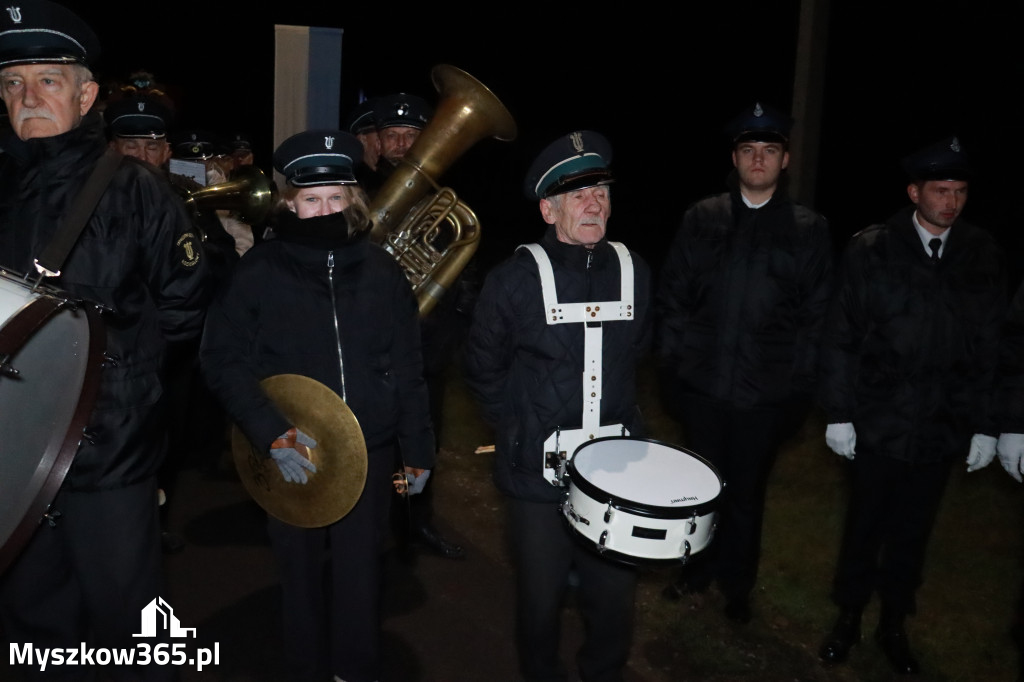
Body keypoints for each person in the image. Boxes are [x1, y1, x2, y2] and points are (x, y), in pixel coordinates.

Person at [0, 1, 210, 677]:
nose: (28, 97)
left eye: (48, 81)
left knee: (126, 630)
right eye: (12, 83)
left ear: (86, 96)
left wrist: (115, 389)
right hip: (16, 458)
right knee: (31, 627)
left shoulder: (136, 191)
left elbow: (183, 310)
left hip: (109, 457)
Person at [200, 129, 435, 682]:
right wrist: (269, 431)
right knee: (299, 571)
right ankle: (305, 667)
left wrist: (418, 448)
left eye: (335, 197)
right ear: (290, 202)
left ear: (353, 200)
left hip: (370, 448)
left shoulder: (382, 272)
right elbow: (221, 359)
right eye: (311, 198)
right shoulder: (258, 272)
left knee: (361, 573)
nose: (324, 208)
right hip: (292, 446)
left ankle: (353, 668)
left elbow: (407, 366)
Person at [464, 130, 652, 682]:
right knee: (540, 602)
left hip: (616, 473)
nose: (594, 202)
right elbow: (483, 367)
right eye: (577, 194)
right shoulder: (512, 280)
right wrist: (521, 426)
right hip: (536, 477)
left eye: (601, 191)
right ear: (548, 208)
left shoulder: (635, 269)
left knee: (613, 600)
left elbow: (638, 352)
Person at [816, 136, 1006, 676]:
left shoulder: (981, 254)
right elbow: (841, 336)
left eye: (961, 191)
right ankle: (848, 618)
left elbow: (990, 347)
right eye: (940, 190)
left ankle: (894, 622)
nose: (951, 201)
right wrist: (838, 412)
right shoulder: (872, 248)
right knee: (864, 528)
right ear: (913, 191)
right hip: (878, 419)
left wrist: (988, 426)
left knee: (912, 534)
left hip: (940, 424)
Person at [655, 101, 834, 623]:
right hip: (702, 386)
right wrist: (671, 371)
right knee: (698, 488)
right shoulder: (702, 218)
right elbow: (674, 300)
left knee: (748, 494)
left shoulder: (808, 229)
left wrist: (799, 393)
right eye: (749, 150)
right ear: (735, 159)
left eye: (770, 150)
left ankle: (738, 585)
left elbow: (815, 319)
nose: (759, 159)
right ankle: (694, 572)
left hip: (765, 394)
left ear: (785, 160)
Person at [364, 90, 465, 560]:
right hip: (369, 351)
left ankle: (415, 523)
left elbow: (459, 275)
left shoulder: (447, 203)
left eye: (412, 135)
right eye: (393, 136)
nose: (404, 145)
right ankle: (368, 527)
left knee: (422, 443)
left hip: (426, 346)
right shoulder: (355, 196)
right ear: (377, 143)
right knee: (368, 443)